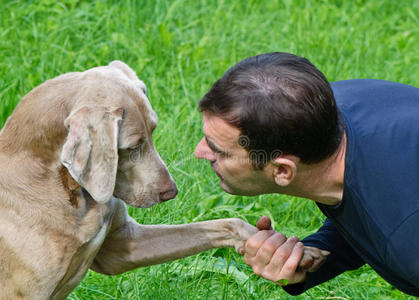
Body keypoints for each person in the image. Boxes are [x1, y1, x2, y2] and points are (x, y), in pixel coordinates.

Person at [194, 52, 419, 296]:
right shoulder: (322, 107)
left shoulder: (407, 240)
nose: (199, 152)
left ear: (282, 170)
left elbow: (390, 215)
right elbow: (373, 203)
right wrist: (311, 254)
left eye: (219, 151)